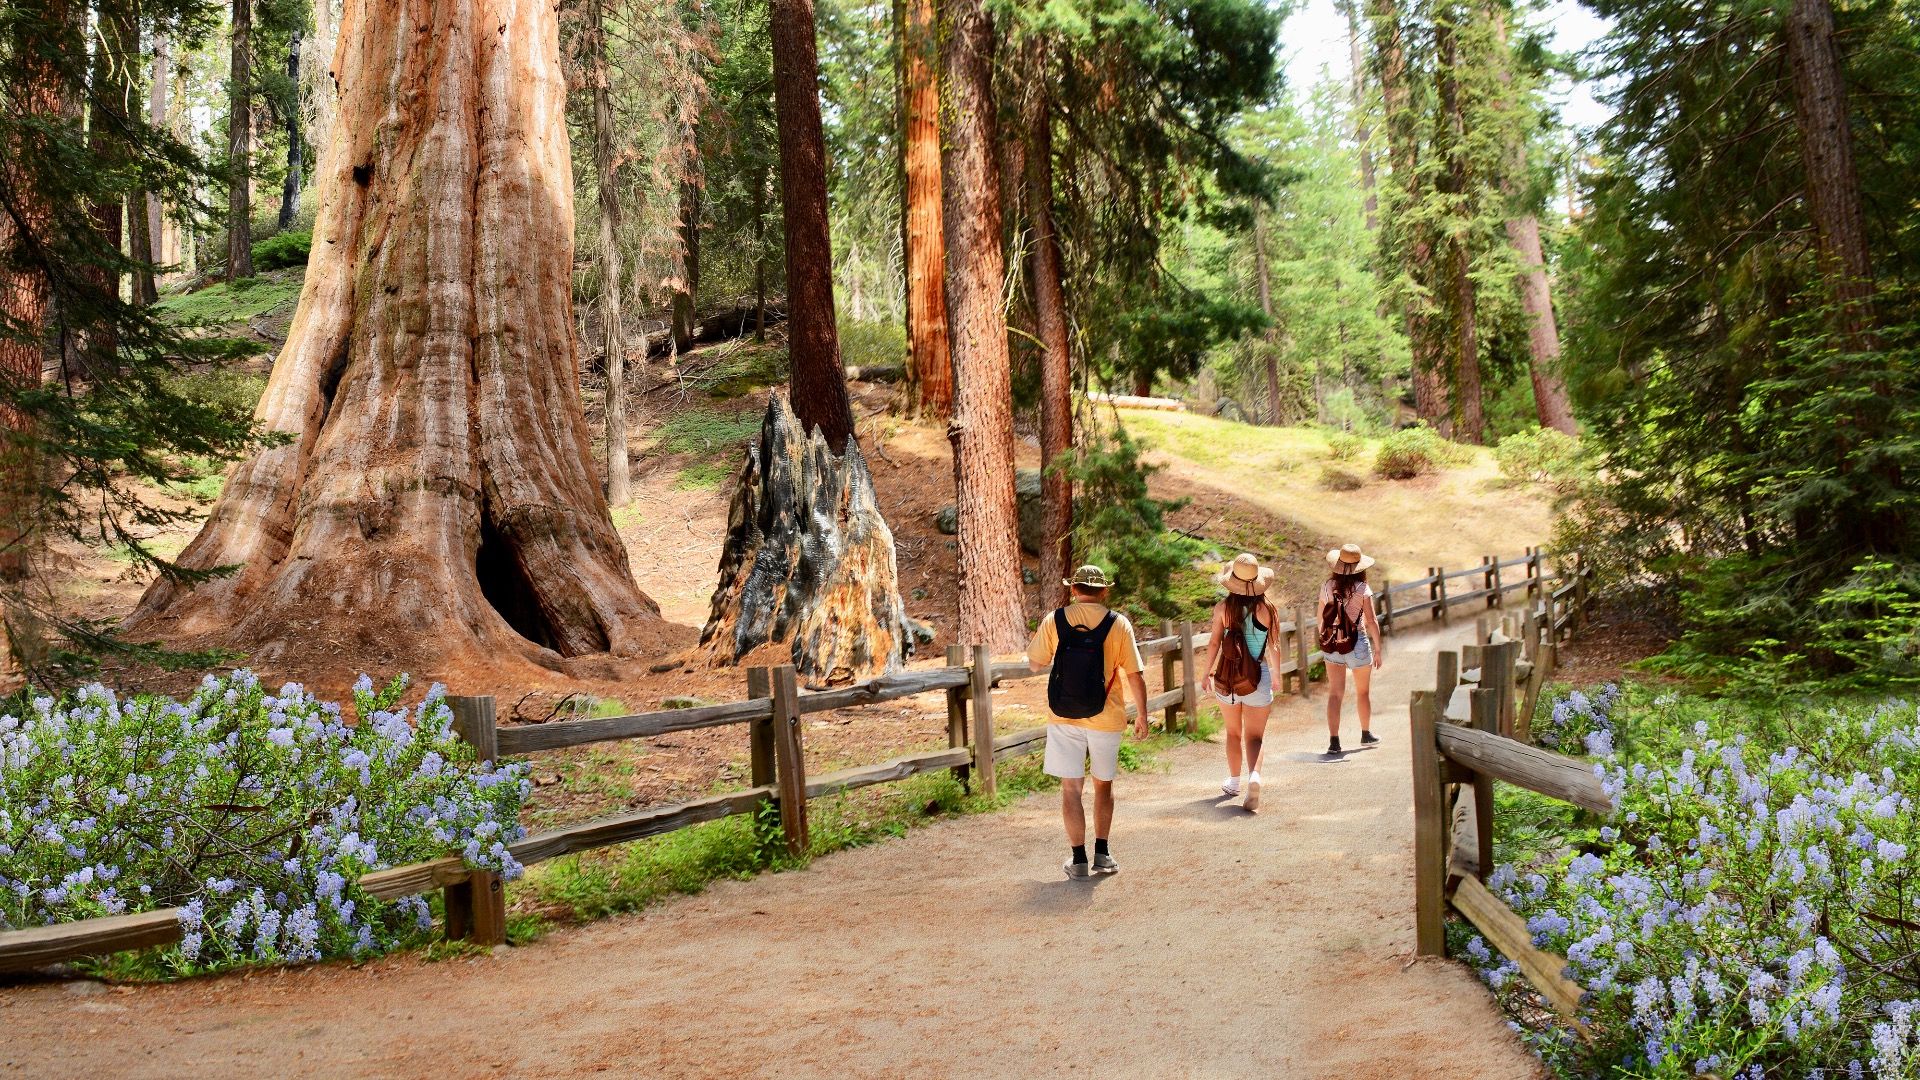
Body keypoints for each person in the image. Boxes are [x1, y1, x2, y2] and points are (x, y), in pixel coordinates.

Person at [1026, 564, 1150, 879]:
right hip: (1106, 716)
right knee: (1103, 786)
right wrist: (1143, 716)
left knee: (1071, 788)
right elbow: (1135, 674)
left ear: (1073, 590)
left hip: (1064, 715)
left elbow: (1035, 664)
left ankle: (1078, 859)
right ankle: (1103, 854)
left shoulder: (1055, 620)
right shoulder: (1118, 624)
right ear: (1104, 591)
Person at [1200, 553, 1283, 811]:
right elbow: (1273, 646)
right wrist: (1277, 676)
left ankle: (1234, 781)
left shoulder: (1223, 609)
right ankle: (1254, 777)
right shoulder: (1267, 609)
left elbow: (1214, 642)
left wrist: (1206, 673)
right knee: (1255, 736)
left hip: (1228, 679)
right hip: (1257, 677)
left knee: (1233, 733)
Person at [1319, 543, 1385, 756]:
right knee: (1363, 691)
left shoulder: (1327, 586)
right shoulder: (1362, 589)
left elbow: (1321, 620)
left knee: (1335, 694)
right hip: (1357, 642)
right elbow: (1372, 621)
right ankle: (1365, 733)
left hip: (1333, 643)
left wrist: (1326, 641)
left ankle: (1334, 741)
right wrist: (1378, 649)